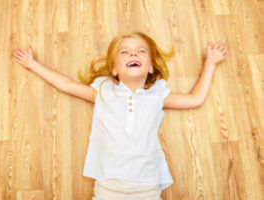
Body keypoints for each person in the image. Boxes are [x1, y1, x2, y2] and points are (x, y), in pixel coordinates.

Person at [13, 32, 228, 200]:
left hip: (147, 187)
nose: (133, 54)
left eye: (140, 51)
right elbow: (66, 85)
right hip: (108, 187)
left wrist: (210, 62)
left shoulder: (157, 95)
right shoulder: (104, 92)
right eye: (125, 52)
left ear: (150, 67)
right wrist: (32, 64)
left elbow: (195, 99)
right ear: (115, 69)